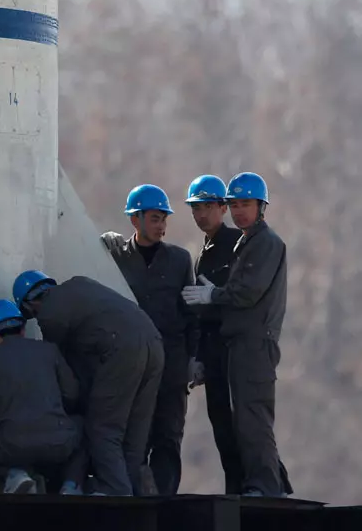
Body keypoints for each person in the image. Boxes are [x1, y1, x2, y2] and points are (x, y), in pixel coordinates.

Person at [182, 172, 288, 497]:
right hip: (239, 343)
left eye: (247, 204)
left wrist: (214, 295)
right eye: (236, 204)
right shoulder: (246, 243)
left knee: (252, 416)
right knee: (238, 420)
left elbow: (247, 292)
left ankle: (266, 487)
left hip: (254, 343)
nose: (240, 210)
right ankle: (257, 486)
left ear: (261, 206)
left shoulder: (266, 243)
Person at [12, 271, 164, 496]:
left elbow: (62, 368)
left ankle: (116, 491)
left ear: (30, 303)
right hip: (154, 344)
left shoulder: (50, 314)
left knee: (103, 427)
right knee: (134, 430)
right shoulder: (80, 284)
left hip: (121, 350)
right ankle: (132, 492)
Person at [99, 184, 199, 496]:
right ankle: (135, 498)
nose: (161, 226)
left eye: (163, 220)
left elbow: (191, 316)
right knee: (134, 436)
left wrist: (194, 358)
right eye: (155, 219)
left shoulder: (179, 261)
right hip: (133, 365)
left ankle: (165, 498)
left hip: (171, 362)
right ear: (135, 220)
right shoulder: (116, 257)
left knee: (168, 435)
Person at [0, 299, 84, 494]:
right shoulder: (50, 350)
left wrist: (5, 415)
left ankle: (16, 474)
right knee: (83, 429)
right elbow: (72, 394)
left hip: (13, 446)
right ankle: (71, 486)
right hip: (59, 442)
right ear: (22, 328)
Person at [184, 174, 245, 493]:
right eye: (195, 208)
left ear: (223, 208)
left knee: (244, 428)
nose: (200, 214)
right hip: (214, 354)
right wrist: (198, 357)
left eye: (207, 206)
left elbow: (244, 298)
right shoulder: (204, 254)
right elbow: (202, 317)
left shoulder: (238, 246)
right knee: (221, 425)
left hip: (235, 352)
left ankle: (261, 488)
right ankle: (236, 491)